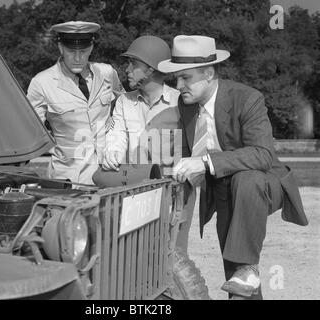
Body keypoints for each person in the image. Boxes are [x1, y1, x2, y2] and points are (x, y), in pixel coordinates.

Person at [158, 35, 308, 299]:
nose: (178, 85)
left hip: (261, 183)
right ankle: (246, 272)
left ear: (208, 72)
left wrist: (205, 162)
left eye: (186, 78)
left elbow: (263, 155)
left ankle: (247, 268)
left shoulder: (248, 98)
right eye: (176, 78)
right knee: (238, 277)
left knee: (246, 180)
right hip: (223, 187)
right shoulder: (187, 103)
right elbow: (188, 149)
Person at [27, 21, 124, 185]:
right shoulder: (42, 83)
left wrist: (115, 140)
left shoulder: (107, 73)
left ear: (91, 47)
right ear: (60, 47)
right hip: (68, 178)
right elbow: (28, 130)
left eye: (84, 51)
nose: (78, 58)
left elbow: (124, 109)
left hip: (109, 173)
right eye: (71, 51)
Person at [102, 35, 180, 173]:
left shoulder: (179, 103)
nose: (127, 69)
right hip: (134, 186)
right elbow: (116, 136)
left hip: (169, 188)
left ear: (150, 69)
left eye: (134, 64)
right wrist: (112, 153)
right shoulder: (124, 102)